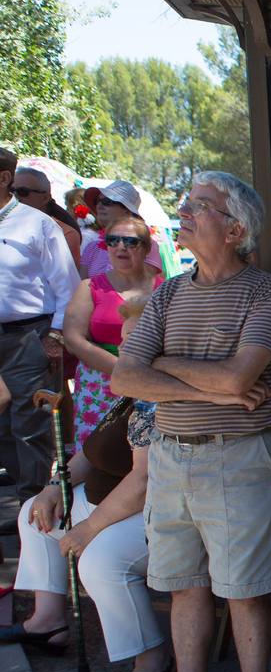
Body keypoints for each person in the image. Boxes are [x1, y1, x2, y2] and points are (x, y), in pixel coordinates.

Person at [110, 171, 271, 672]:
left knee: (244, 589)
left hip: (238, 457)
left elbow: (240, 379)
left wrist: (166, 360)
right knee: (183, 582)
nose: (184, 213)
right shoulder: (168, 294)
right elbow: (124, 378)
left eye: (201, 207)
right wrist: (211, 388)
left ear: (236, 227)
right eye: (187, 204)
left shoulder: (269, 295)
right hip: (170, 455)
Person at [3, 293, 174, 672]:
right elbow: (88, 454)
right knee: (34, 513)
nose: (124, 352)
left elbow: (143, 481)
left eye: (136, 344)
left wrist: (87, 529)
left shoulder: (156, 400)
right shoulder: (128, 392)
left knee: (101, 562)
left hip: (150, 512)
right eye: (124, 342)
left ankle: (152, 663)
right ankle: (47, 622)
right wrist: (51, 488)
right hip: (106, 504)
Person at [0, 147, 80, 506]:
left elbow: (68, 287)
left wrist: (55, 337)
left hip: (28, 337)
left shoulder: (38, 223)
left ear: (4, 178)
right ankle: (20, 509)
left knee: (30, 426)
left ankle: (33, 513)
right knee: (3, 431)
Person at [63, 217, 164, 451]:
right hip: (99, 384)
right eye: (113, 240)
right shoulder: (90, 287)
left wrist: (141, 373)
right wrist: (121, 368)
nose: (121, 246)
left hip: (150, 381)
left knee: (145, 455)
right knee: (95, 454)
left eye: (130, 241)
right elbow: (73, 339)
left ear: (147, 248)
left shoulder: (166, 289)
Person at [78, 180, 165, 277]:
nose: (99, 205)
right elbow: (83, 285)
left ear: (127, 211)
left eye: (107, 201)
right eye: (97, 201)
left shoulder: (145, 245)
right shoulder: (93, 247)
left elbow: (150, 286)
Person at [11, 166, 82, 269]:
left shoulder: (64, 234)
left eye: (23, 192)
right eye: (11, 191)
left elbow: (63, 280)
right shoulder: (5, 224)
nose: (15, 197)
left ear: (45, 198)